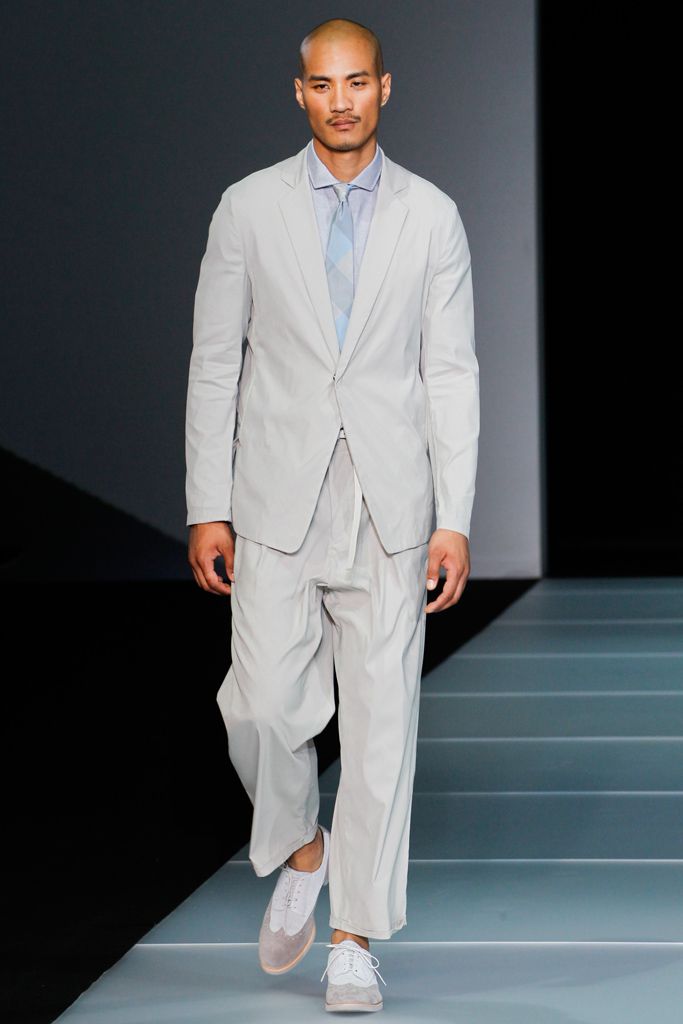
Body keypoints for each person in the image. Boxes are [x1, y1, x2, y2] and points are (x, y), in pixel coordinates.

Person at [185, 16, 479, 1014]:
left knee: (382, 726)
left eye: (357, 82)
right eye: (323, 84)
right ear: (299, 92)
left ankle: (352, 937)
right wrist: (207, 503)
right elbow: (215, 361)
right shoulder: (247, 208)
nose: (341, 100)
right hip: (274, 497)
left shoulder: (431, 215)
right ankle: (302, 849)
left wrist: (453, 516)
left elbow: (449, 371)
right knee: (258, 706)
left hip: (390, 502)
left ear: (384, 88)